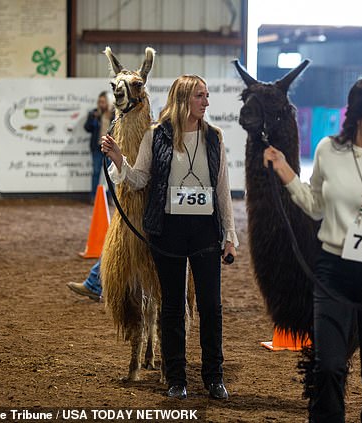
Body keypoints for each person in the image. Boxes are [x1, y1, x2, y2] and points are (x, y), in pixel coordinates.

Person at [263, 78, 362, 422]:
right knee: (329, 365)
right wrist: (287, 172)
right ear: (359, 112)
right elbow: (316, 207)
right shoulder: (328, 150)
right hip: (333, 272)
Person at [101, 74, 238, 400]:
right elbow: (138, 180)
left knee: (210, 306)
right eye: (200, 96)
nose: (206, 102)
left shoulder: (214, 138)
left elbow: (222, 192)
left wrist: (229, 236)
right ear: (182, 100)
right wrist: (118, 157)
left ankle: (214, 376)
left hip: (205, 231)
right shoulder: (156, 136)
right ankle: (176, 378)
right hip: (168, 231)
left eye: (206, 96)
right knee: (172, 307)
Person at [84, 92, 114, 202]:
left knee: (111, 174)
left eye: (103, 101)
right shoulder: (94, 114)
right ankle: (93, 197)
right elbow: (87, 128)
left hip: (110, 148)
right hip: (97, 147)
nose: (101, 104)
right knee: (96, 172)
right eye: (99, 102)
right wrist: (93, 119)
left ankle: (112, 197)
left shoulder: (114, 114)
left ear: (108, 102)